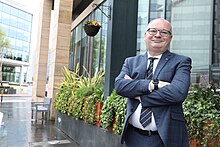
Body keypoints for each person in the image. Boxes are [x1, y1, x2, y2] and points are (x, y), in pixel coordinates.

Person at [115, 18, 192, 147]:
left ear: (170, 38)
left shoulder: (181, 62)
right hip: (133, 137)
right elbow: (120, 86)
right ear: (145, 35)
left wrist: (138, 94)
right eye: (153, 31)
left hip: (165, 139)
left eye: (164, 32)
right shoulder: (131, 62)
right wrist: (153, 84)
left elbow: (178, 93)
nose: (157, 35)